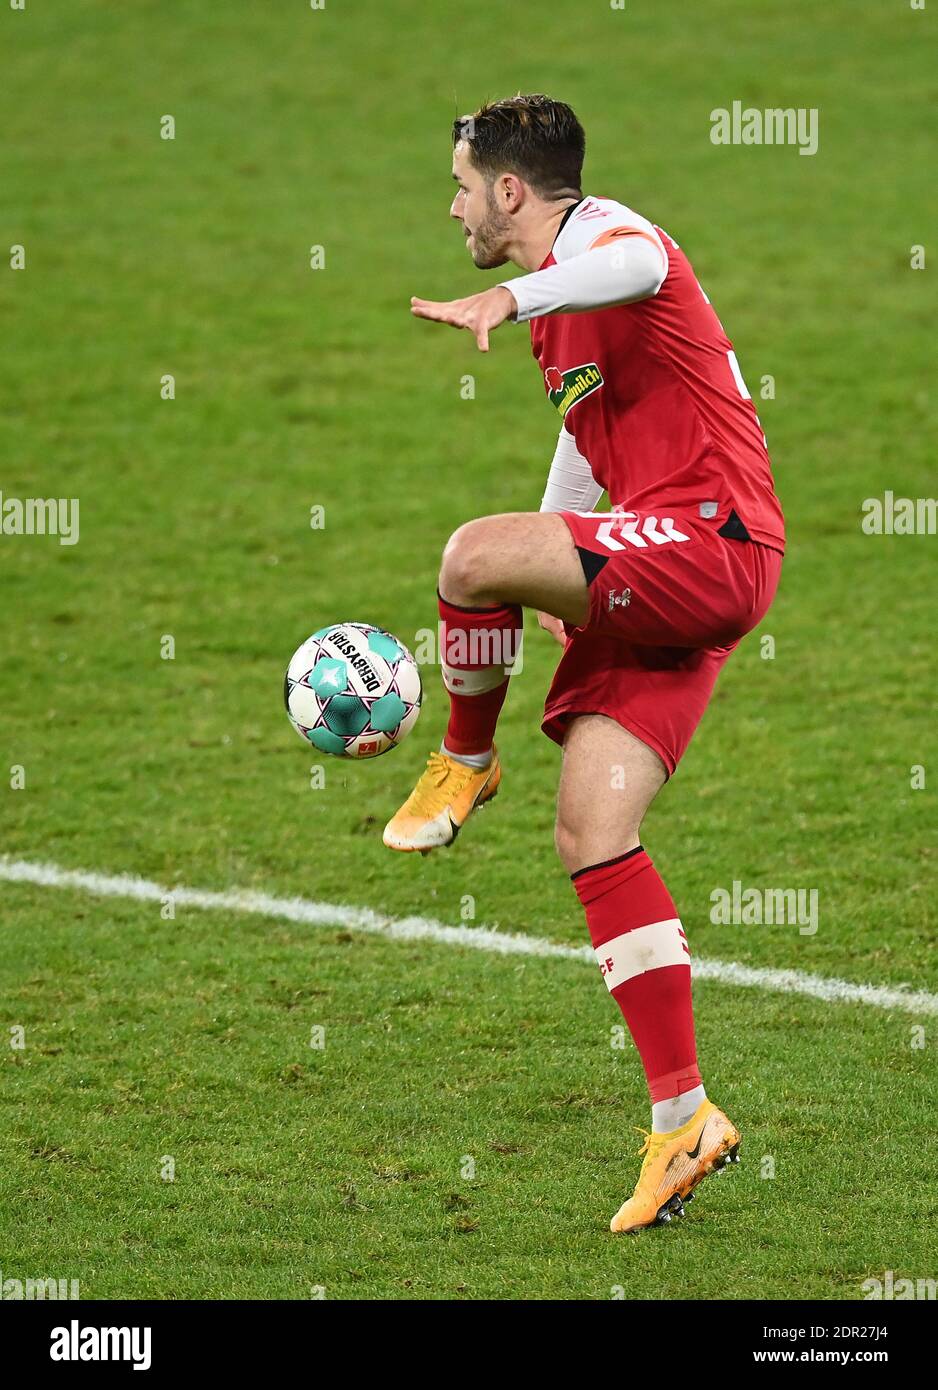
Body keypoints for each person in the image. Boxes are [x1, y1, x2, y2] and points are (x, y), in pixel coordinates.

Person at [383, 95, 784, 1233]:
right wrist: (566, 571)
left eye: (461, 183)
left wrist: (505, 295)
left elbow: (635, 262)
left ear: (511, 191)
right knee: (593, 830)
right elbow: (580, 432)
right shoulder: (569, 319)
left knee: (467, 557)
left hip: (714, 540)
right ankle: (682, 1120)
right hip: (659, 557)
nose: (453, 204)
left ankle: (465, 761)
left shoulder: (608, 239)